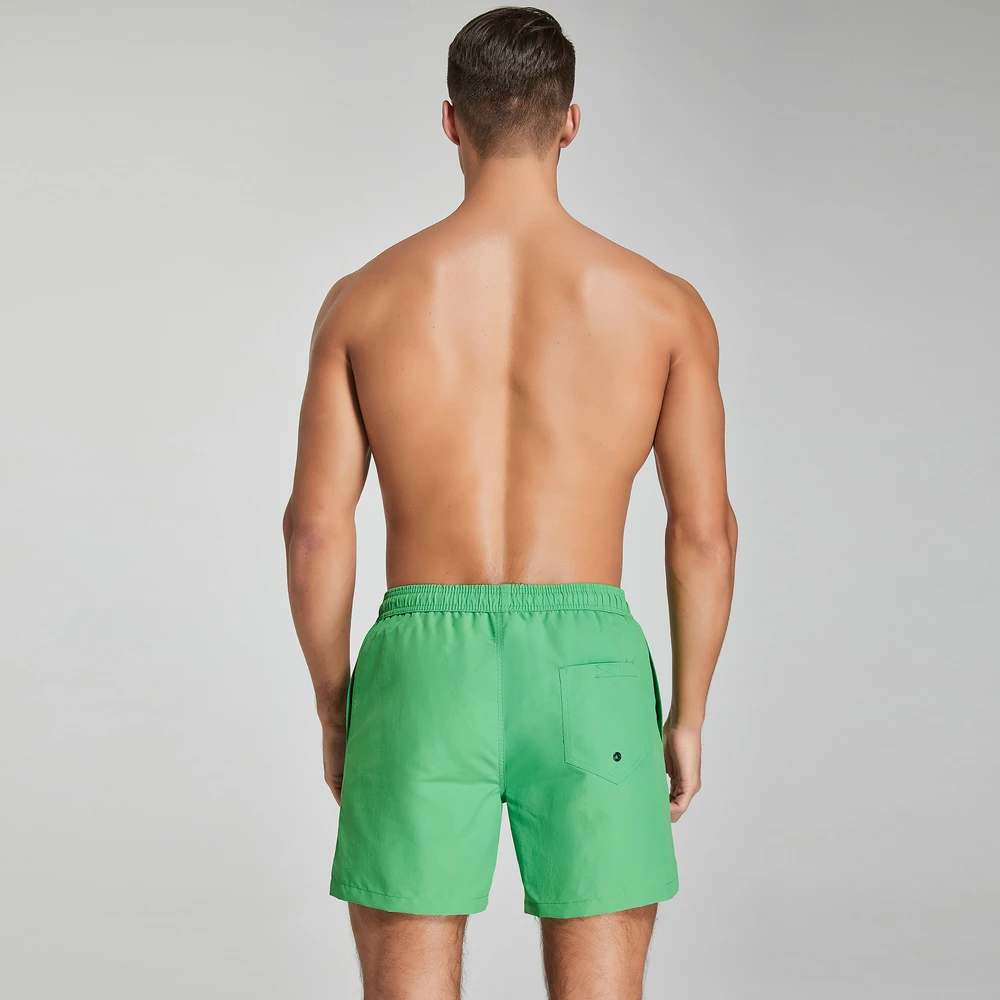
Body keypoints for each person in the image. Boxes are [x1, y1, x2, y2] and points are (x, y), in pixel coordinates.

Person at [283, 7, 737, 998]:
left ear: (451, 120)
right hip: (589, 663)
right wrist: (689, 711)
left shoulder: (363, 301)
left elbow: (315, 531)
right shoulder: (663, 306)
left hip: (421, 664)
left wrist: (333, 703)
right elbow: (702, 532)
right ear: (570, 122)